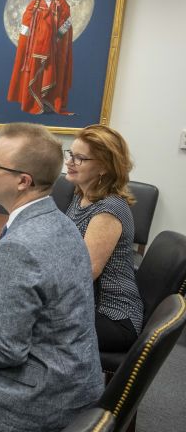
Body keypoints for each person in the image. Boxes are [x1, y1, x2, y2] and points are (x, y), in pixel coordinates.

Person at [0, 122, 103, 432]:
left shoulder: (20, 246)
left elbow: (5, 353)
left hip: (41, 398)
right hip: (75, 381)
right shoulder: (61, 221)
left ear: (22, 181)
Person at [64, 124, 143, 352]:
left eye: (79, 158)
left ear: (103, 168)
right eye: (71, 154)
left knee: (29, 321)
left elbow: (85, 272)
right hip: (87, 302)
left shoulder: (108, 209)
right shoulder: (82, 196)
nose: (69, 162)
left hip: (112, 315)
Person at [7, 0, 73, 115]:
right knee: (35, 72)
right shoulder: (34, 3)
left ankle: (48, 102)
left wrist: (56, 38)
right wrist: (25, 43)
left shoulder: (62, 3)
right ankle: (34, 102)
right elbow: (26, 21)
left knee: (51, 71)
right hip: (35, 47)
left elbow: (66, 23)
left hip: (54, 47)